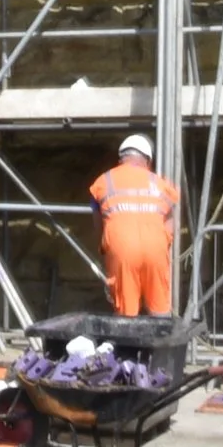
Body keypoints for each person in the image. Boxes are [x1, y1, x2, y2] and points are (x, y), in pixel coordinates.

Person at [89, 134, 180, 317]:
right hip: (156, 249)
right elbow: (172, 222)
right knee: (160, 311)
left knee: (126, 314)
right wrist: (164, 243)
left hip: (122, 250)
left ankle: (127, 345)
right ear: (147, 160)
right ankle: (160, 344)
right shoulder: (160, 183)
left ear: (121, 159)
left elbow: (98, 223)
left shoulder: (103, 182)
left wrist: (105, 247)